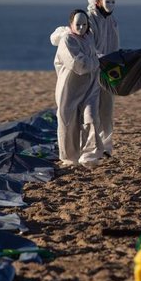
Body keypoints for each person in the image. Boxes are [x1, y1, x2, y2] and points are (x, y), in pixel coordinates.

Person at [49, 9, 103, 168]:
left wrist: (98, 59)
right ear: (70, 24)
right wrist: (97, 62)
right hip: (70, 88)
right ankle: (70, 158)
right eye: (78, 24)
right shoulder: (67, 41)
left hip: (91, 85)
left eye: (84, 24)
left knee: (91, 118)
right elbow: (77, 64)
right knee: (68, 122)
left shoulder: (89, 37)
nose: (81, 28)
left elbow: (93, 55)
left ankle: (89, 156)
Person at [86, 0, 120, 157]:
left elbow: (114, 44)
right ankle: (92, 147)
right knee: (91, 112)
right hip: (93, 70)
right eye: (107, 1)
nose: (110, 5)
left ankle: (106, 148)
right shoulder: (90, 19)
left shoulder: (112, 20)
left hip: (108, 70)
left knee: (107, 110)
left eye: (113, 2)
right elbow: (89, 44)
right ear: (98, 2)